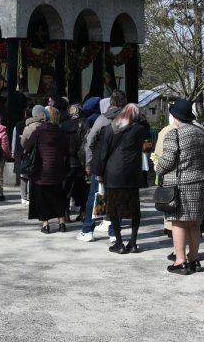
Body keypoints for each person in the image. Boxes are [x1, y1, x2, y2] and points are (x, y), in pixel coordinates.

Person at [156, 99, 204, 275]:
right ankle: (194, 259)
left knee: (178, 222)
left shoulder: (175, 133)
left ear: (175, 116)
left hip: (181, 184)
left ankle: (181, 261)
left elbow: (168, 159)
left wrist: (158, 167)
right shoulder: (201, 132)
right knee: (195, 223)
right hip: (200, 182)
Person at [94, 102, 150, 254]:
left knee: (113, 209)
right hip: (132, 173)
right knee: (134, 209)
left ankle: (119, 243)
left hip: (113, 173)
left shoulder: (109, 129)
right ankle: (133, 242)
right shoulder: (140, 130)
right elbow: (147, 134)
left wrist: (99, 172)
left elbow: (103, 154)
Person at [78, 92, 123, 243]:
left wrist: (89, 162)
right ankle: (114, 232)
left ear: (111, 103)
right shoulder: (128, 120)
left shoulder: (103, 119)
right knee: (116, 198)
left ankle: (88, 230)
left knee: (96, 195)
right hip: (121, 165)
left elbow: (90, 141)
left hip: (101, 164)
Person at [27, 105, 71, 233]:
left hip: (41, 172)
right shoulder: (61, 132)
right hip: (58, 171)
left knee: (42, 199)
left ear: (45, 117)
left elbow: (28, 147)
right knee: (58, 197)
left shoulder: (38, 132)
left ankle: (45, 225)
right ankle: (61, 223)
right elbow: (66, 150)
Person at [61, 103, 89, 218]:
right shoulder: (85, 122)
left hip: (68, 161)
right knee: (83, 187)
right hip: (81, 161)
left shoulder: (64, 125)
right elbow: (87, 141)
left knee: (67, 187)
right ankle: (83, 212)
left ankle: (66, 213)